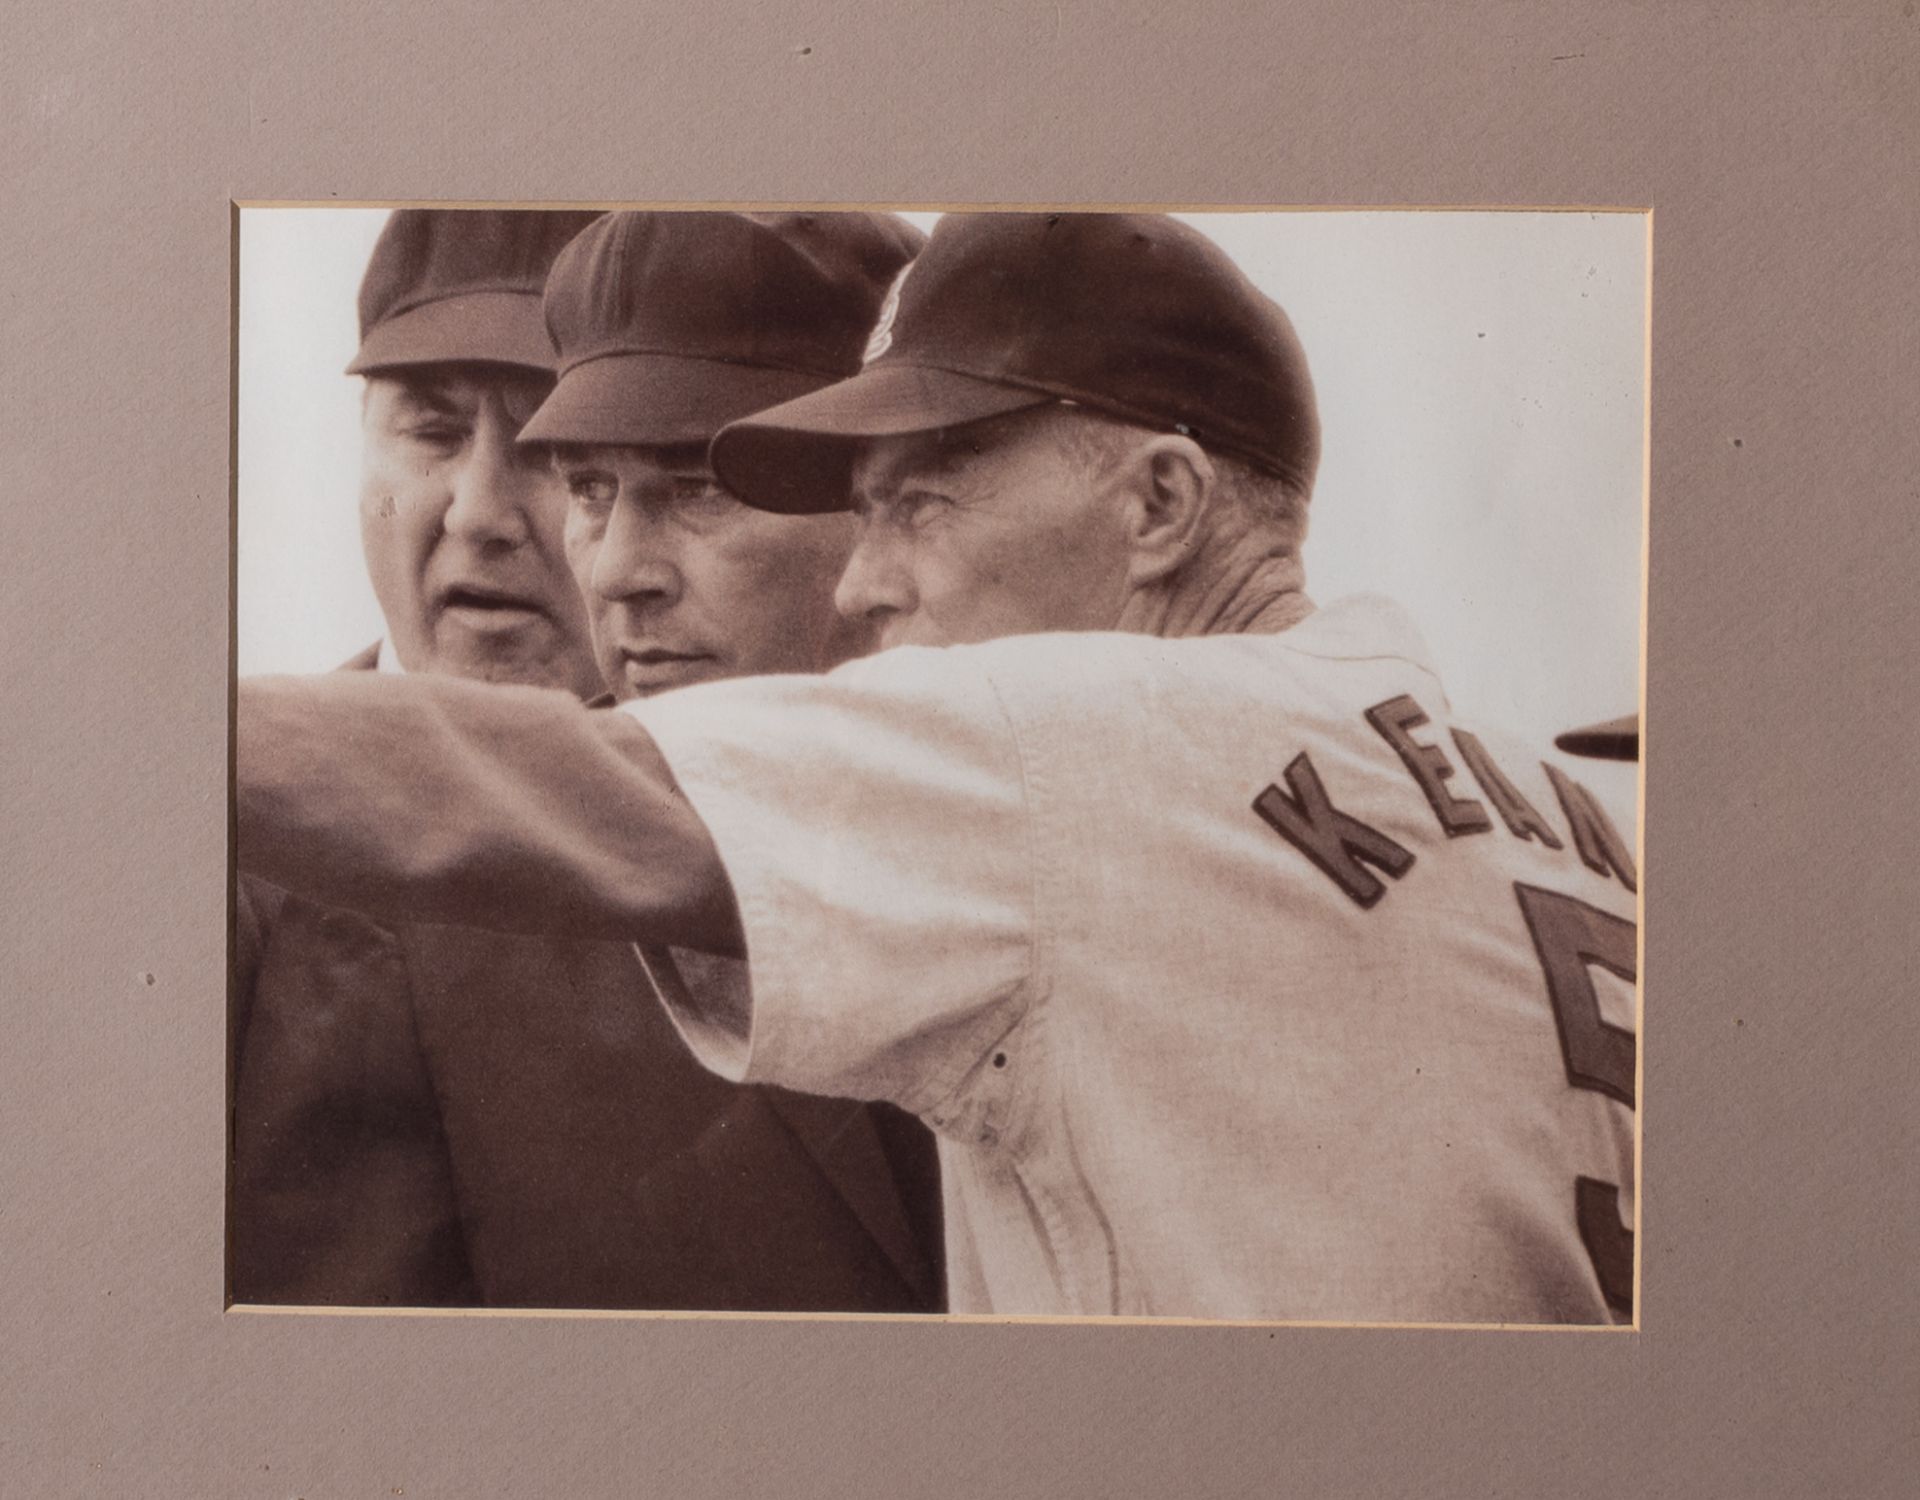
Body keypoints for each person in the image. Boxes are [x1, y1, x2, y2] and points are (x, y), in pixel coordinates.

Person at [238, 212, 1639, 1324]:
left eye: (920, 503)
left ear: (1160, 505)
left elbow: (542, 791)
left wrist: (106, 722)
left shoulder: (1089, 745)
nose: (865, 583)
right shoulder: (1576, 810)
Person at [231, 207, 943, 1312]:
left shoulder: (964, 797)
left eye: (543, 456)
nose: (479, 512)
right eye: (428, 430)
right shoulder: (318, 886)